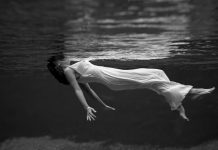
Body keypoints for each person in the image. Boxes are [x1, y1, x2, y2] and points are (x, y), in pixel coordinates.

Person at [47, 56, 215, 122]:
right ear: (59, 65)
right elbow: (78, 90)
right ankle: (194, 93)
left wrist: (103, 104)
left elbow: (89, 90)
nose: (66, 58)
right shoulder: (69, 71)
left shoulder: (73, 69)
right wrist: (86, 107)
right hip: (114, 78)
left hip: (114, 76)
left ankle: (178, 105)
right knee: (153, 79)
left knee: (156, 74)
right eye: (62, 59)